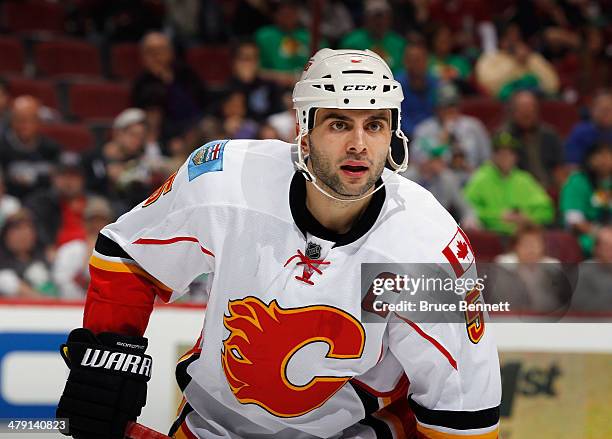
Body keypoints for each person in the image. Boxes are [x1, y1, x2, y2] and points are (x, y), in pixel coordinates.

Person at [56, 49, 501, 439]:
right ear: (303, 132)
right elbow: (130, 256)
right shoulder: (226, 180)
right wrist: (106, 355)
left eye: (375, 125)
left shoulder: (425, 248)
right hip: (213, 426)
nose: (359, 145)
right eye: (339, 123)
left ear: (394, 135)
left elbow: (462, 413)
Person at [464, 131, 555, 235]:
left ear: (516, 157)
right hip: (493, 237)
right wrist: (498, 216)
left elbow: (547, 209)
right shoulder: (480, 178)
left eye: (510, 153)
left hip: (523, 236)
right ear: (493, 156)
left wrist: (527, 218)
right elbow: (466, 209)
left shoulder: (524, 179)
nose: (505, 157)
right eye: (501, 153)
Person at [413, 83, 492, 172]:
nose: (450, 110)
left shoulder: (474, 126)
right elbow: (416, 160)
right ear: (436, 108)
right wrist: (440, 143)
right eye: (445, 106)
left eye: (453, 105)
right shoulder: (424, 130)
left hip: (470, 176)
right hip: (436, 179)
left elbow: (487, 159)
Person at [0, 95, 62, 198]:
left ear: (39, 121)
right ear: (12, 121)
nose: (25, 125)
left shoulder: (52, 148)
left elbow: (58, 181)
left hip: (45, 203)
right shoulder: (2, 148)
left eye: (30, 119)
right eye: (20, 119)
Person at [501, 90, 564, 189]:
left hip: (549, 190)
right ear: (512, 112)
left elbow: (559, 170)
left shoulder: (549, 135)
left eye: (531, 109)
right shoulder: (504, 138)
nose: (527, 114)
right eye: (522, 110)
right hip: (519, 191)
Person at [560, 142, 612, 257]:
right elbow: (574, 219)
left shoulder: (608, 182)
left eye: (609, 155)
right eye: (600, 155)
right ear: (590, 159)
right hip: (587, 234)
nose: (605, 160)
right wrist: (600, 233)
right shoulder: (577, 181)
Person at [339, 0, 406, 73]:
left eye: (382, 17)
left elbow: (404, 72)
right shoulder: (351, 42)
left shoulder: (399, 44)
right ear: (366, 18)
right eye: (375, 18)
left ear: (389, 19)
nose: (379, 22)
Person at [564, 90, 612, 166]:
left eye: (609, 110)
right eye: (603, 110)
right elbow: (572, 164)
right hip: (586, 174)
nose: (606, 114)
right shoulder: (580, 132)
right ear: (593, 110)